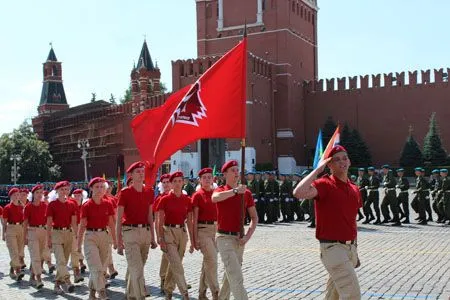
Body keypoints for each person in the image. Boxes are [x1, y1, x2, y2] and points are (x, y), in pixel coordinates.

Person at [293, 145, 361, 299]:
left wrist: (354, 249)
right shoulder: (325, 184)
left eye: (345, 158)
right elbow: (298, 193)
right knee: (352, 294)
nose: (342, 162)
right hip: (333, 248)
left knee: (333, 295)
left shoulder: (354, 188)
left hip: (350, 248)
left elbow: (350, 220)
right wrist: (317, 171)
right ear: (329, 165)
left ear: (349, 161)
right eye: (336, 160)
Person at [212, 160, 258, 300]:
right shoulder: (221, 190)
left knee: (229, 276)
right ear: (225, 174)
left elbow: (254, 218)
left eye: (237, 170)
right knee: (236, 276)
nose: (236, 172)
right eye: (233, 170)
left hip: (239, 240)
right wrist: (235, 191)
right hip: (224, 238)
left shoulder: (247, 193)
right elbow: (215, 198)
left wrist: (247, 237)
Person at [116, 161, 157, 299]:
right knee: (137, 269)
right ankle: (140, 296)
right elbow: (118, 219)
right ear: (131, 175)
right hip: (130, 233)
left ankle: (130, 295)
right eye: (137, 172)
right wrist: (118, 241)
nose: (141, 174)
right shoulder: (125, 193)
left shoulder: (149, 191)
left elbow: (150, 216)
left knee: (136, 267)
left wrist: (153, 237)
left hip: (145, 233)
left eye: (142, 171)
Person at [77, 177, 117, 300]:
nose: (100, 190)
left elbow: (111, 224)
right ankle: (102, 291)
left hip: (104, 236)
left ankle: (91, 293)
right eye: (97, 187)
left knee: (101, 267)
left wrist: (115, 241)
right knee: (96, 267)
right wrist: (78, 245)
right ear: (91, 189)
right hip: (90, 237)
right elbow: (82, 225)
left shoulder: (108, 203)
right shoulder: (87, 205)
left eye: (102, 187)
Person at [157, 171, 194, 300]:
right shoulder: (164, 199)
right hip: (169, 232)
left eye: (180, 181)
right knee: (176, 263)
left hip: (182, 233)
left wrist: (193, 241)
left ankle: (168, 290)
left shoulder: (187, 200)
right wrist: (160, 239)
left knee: (175, 263)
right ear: (171, 184)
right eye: (175, 181)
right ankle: (185, 293)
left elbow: (189, 221)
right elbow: (159, 221)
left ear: (183, 182)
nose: (178, 184)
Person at [192, 168, 219, 300]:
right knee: (212, 260)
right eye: (204, 177)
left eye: (209, 177)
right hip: (202, 230)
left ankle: (202, 293)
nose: (207, 179)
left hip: (215, 230)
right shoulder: (197, 195)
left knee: (208, 262)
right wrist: (194, 238)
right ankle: (216, 292)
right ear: (200, 180)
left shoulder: (216, 193)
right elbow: (194, 219)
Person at [46, 181, 78, 294]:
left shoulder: (72, 204)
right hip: (56, 234)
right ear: (57, 191)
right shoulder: (52, 204)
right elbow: (49, 223)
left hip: (68, 234)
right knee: (60, 260)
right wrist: (48, 239)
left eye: (66, 189)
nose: (64, 192)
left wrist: (77, 236)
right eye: (62, 190)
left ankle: (56, 285)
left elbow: (74, 222)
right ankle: (68, 281)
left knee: (63, 262)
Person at [23, 184, 53, 289]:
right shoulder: (28, 207)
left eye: (41, 193)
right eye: (37, 193)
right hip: (32, 231)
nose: (40, 195)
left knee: (41, 256)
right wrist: (24, 237)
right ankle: (38, 278)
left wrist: (50, 236)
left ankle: (32, 276)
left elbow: (49, 222)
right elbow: (25, 223)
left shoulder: (45, 206)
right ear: (33, 194)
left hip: (43, 231)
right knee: (35, 256)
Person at [2, 187, 25, 281]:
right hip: (11, 228)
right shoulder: (7, 208)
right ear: (10, 196)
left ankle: (12, 270)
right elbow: (4, 223)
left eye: (17, 195)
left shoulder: (22, 207)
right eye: (14, 195)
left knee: (19, 252)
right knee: (14, 251)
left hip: (21, 228)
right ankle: (18, 270)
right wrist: (3, 234)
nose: (16, 197)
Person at [154, 173, 171, 294]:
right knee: (166, 257)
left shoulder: (177, 196)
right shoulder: (159, 199)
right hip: (164, 230)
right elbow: (157, 220)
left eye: (168, 182)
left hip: (176, 230)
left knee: (177, 257)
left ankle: (173, 279)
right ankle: (163, 279)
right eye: (163, 182)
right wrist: (158, 236)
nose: (166, 184)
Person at [68, 189, 86, 282]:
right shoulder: (71, 204)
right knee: (76, 246)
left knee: (79, 245)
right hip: (73, 227)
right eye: (75, 195)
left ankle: (77, 262)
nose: (77, 197)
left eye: (79, 195)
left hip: (82, 226)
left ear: (82, 196)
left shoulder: (84, 205)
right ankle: (80, 262)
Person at [103, 182, 119, 280]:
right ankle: (110, 268)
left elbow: (116, 216)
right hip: (103, 227)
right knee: (106, 249)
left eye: (110, 187)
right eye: (106, 187)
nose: (108, 189)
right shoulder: (101, 199)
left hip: (111, 227)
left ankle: (109, 269)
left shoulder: (113, 199)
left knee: (107, 249)